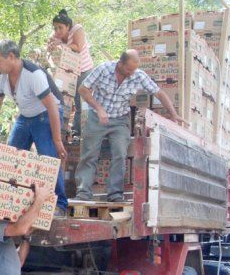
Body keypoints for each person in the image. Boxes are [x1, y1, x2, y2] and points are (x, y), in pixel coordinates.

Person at [75, 50, 185, 202]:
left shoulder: (138, 75)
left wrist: (173, 114)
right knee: (89, 154)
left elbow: (160, 93)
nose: (131, 73)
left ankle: (115, 194)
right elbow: (83, 89)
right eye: (128, 69)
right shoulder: (103, 69)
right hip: (97, 118)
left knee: (120, 154)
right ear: (120, 64)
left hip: (120, 120)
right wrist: (99, 108)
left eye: (133, 70)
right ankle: (83, 193)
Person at [0, 40, 68, 215]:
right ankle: (13, 200)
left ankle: (60, 205)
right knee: (12, 158)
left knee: (48, 158)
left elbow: (52, 107)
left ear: (11, 57)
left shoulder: (33, 74)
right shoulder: (1, 78)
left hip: (46, 115)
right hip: (25, 117)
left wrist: (57, 139)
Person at [47, 9, 95, 137]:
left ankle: (81, 131)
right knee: (64, 100)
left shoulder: (78, 29)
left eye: (60, 28)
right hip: (67, 73)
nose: (57, 31)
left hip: (84, 70)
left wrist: (62, 46)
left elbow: (78, 47)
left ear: (68, 27)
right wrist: (51, 47)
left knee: (82, 103)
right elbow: (51, 54)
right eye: (55, 28)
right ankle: (63, 131)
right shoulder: (54, 35)